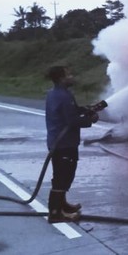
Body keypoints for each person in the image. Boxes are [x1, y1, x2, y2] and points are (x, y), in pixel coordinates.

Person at [45, 66, 99, 223]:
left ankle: (62, 205)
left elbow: (72, 112)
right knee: (63, 177)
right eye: (69, 74)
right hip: (63, 144)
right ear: (62, 78)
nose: (72, 76)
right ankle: (55, 213)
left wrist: (85, 109)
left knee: (64, 175)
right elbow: (72, 120)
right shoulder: (63, 96)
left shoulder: (55, 93)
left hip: (59, 142)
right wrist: (91, 120)